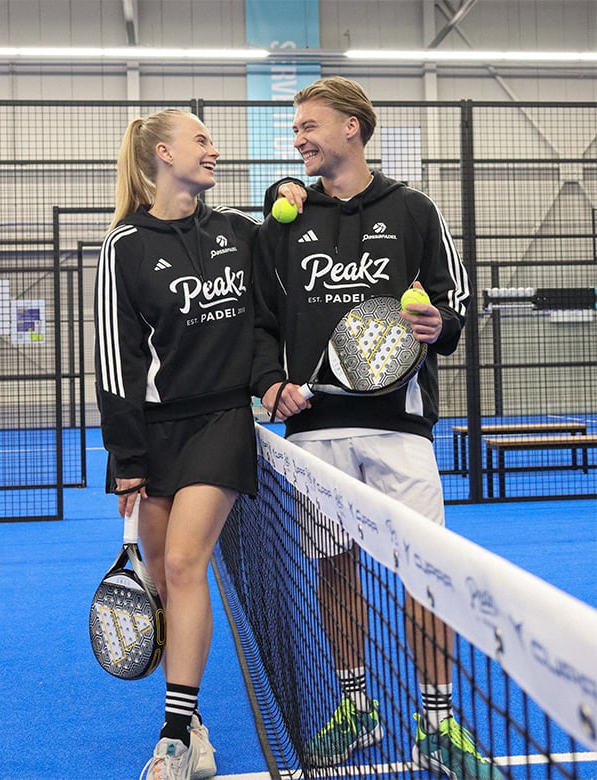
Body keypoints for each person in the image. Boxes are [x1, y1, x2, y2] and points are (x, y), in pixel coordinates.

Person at [252, 77, 503, 780]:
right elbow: (261, 320)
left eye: (309, 125)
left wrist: (437, 325)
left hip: (401, 427)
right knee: (335, 572)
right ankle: (358, 706)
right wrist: (269, 383)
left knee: (427, 576)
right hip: (314, 437)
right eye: (295, 129)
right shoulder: (284, 223)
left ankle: (438, 722)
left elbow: (452, 310)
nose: (299, 137)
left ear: (353, 128)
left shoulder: (415, 210)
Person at [94, 108, 259, 780]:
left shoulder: (239, 235)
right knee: (161, 581)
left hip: (222, 424)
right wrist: (128, 462)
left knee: (189, 565)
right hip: (154, 435)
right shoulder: (125, 245)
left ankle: (172, 740)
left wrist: (286, 191)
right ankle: (193, 721)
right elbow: (116, 362)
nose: (214, 151)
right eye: (202, 140)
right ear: (163, 153)